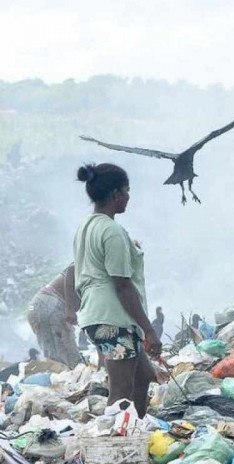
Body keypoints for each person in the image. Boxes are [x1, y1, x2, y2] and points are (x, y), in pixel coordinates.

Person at [73, 163, 161, 416]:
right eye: (127, 190)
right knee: (121, 389)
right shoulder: (111, 231)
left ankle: (137, 429)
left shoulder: (88, 226)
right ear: (115, 194)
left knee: (144, 376)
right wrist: (149, 329)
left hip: (97, 314)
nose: (128, 196)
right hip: (113, 317)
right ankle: (114, 447)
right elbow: (122, 286)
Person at [26, 264, 83, 367]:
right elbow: (71, 270)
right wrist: (70, 309)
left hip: (40, 305)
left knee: (59, 358)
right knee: (66, 361)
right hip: (49, 305)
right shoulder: (91, 256)